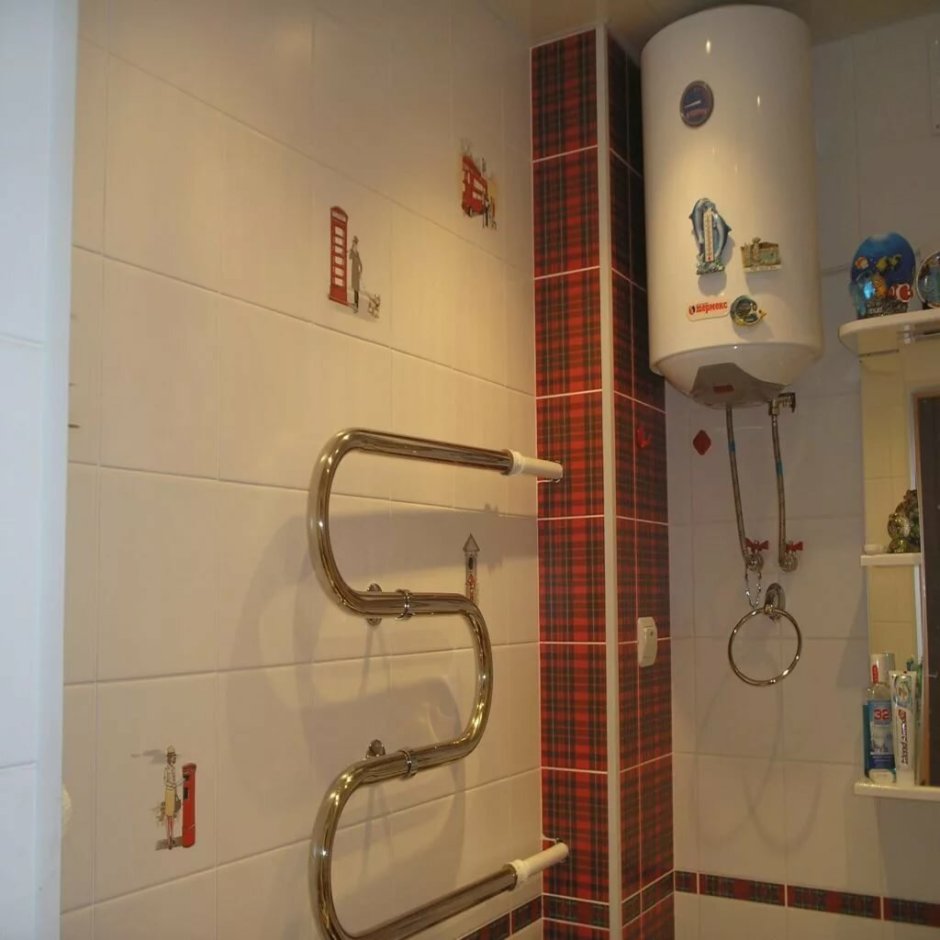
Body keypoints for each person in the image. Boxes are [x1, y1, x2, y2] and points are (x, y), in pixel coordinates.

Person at [349, 236, 362, 310]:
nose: (354, 245)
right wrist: (351, 249)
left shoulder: (357, 253)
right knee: (355, 289)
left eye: (354, 243)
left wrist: (360, 273)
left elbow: (360, 264)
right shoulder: (354, 252)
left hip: (356, 273)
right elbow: (350, 257)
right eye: (353, 243)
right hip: (354, 273)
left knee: (356, 289)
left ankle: (356, 305)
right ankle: (355, 304)